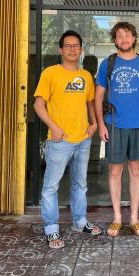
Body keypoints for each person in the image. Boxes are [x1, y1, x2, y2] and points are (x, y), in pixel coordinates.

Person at [33, 30, 102, 249]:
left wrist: (94, 123)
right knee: (51, 187)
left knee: (80, 184)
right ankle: (51, 230)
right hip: (59, 140)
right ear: (61, 49)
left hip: (83, 139)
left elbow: (90, 102)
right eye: (68, 46)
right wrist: (53, 127)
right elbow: (38, 104)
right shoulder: (50, 73)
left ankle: (80, 222)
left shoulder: (85, 76)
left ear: (81, 50)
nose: (72, 49)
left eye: (76, 46)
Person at [95, 21, 139, 237]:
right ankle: (117, 218)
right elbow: (98, 96)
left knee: (136, 170)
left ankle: (134, 218)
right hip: (114, 125)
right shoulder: (108, 64)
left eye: (127, 35)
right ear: (114, 40)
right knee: (115, 171)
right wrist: (101, 123)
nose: (124, 39)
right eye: (119, 36)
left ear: (134, 38)